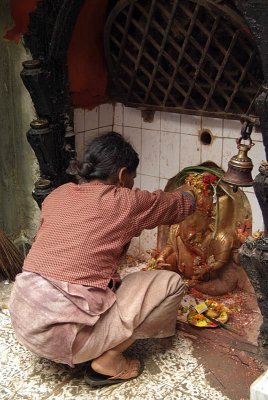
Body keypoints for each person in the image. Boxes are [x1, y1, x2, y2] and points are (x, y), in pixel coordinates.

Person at [9, 132, 196, 386]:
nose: (132, 183)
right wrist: (196, 192)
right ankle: (109, 360)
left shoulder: (57, 195)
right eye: (132, 178)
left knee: (108, 283)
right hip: (64, 341)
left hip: (24, 320)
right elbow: (177, 206)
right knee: (171, 283)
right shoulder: (125, 201)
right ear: (122, 175)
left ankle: (78, 339)